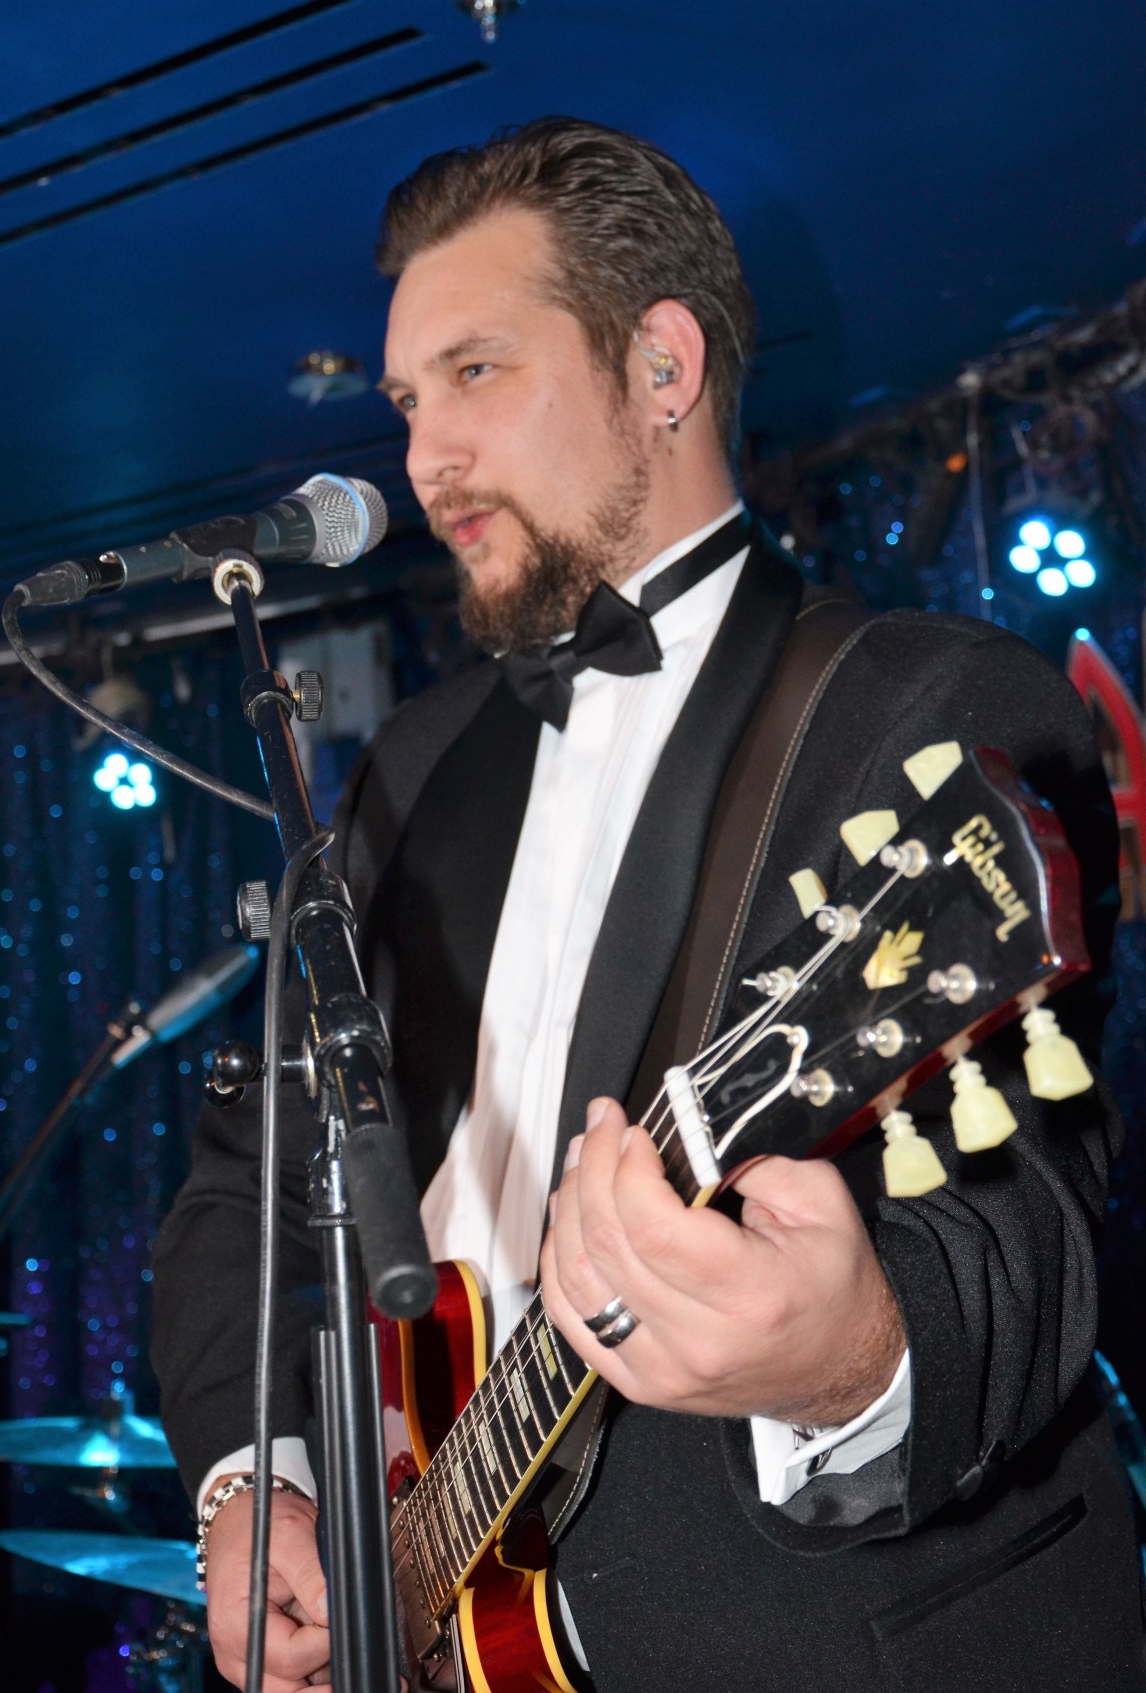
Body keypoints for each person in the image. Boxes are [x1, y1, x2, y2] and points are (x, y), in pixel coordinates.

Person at [151, 119, 1145, 1692]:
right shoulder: (409, 767)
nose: (423, 460)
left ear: (662, 366)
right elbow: (243, 1190)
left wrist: (855, 1354)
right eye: (408, 403)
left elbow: (1028, 1223)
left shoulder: (930, 705)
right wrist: (254, 1480)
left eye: (476, 373)